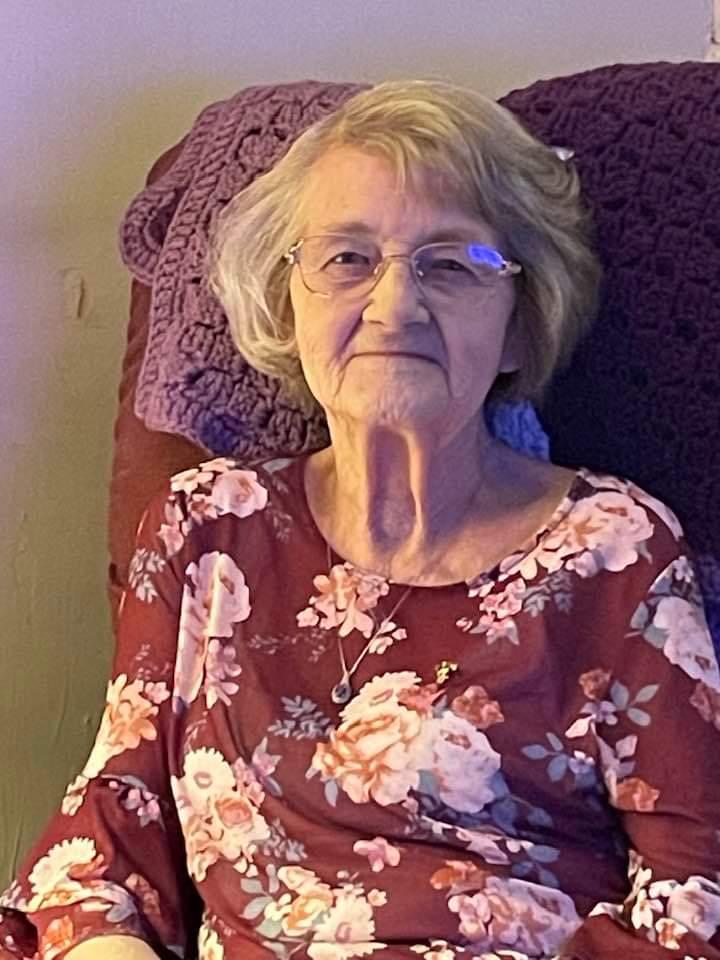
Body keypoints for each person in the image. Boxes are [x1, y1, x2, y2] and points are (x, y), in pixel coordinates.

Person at [1, 79, 719, 960]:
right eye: (347, 258)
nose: (393, 305)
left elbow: (699, 891)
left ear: (520, 324)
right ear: (287, 303)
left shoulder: (615, 549)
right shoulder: (206, 528)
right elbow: (112, 823)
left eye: (450, 264)